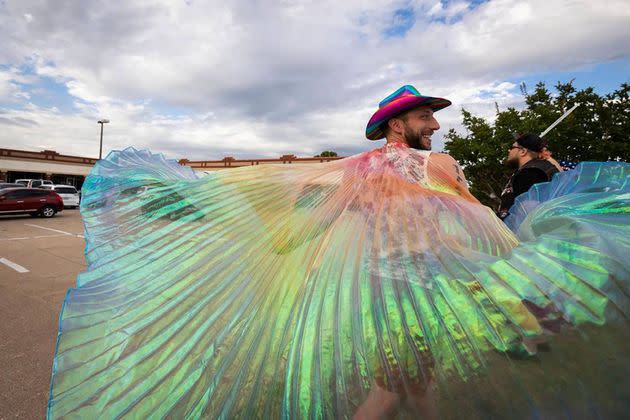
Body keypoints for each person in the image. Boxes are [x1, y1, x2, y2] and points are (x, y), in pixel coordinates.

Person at [47, 86, 630, 419]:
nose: (436, 124)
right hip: (430, 286)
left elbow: (300, 217)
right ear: (399, 123)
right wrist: (513, 252)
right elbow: (475, 220)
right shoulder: (438, 165)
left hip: (384, 289)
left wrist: (268, 239)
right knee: (399, 380)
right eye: (427, 115)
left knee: (406, 379)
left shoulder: (354, 171)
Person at [498, 133, 559, 219]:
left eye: (512, 148)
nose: (509, 151)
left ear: (523, 151)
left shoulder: (530, 173)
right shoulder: (536, 169)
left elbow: (527, 213)